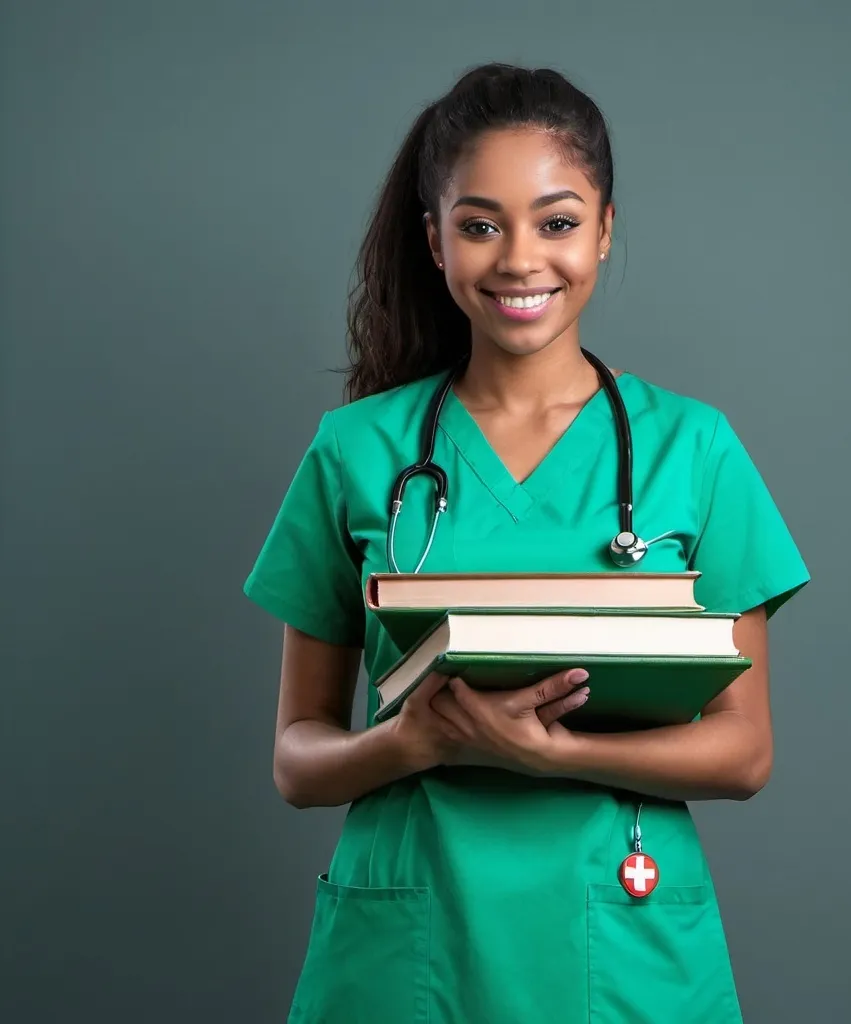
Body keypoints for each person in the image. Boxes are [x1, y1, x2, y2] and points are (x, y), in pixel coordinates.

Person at [243, 62, 810, 1024]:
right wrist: (412, 742)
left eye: (556, 222)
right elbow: (298, 761)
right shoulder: (356, 451)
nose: (519, 259)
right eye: (480, 225)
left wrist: (547, 758)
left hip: (615, 939)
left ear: (605, 230)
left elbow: (744, 752)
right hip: (409, 936)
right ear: (435, 240)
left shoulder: (693, 449)